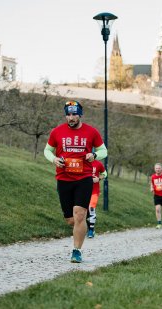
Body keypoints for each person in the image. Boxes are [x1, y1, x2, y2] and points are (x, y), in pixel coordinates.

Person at [44, 100, 107, 263]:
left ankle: (76, 251)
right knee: (71, 219)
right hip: (64, 178)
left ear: (80, 114)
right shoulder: (57, 132)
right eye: (68, 114)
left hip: (84, 178)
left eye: (74, 114)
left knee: (79, 214)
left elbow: (103, 150)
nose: (71, 117)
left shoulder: (91, 132)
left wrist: (94, 155)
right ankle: (82, 224)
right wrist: (54, 159)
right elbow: (47, 150)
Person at [86, 159, 107, 238]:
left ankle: (91, 230)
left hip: (94, 192)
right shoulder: (81, 162)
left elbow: (104, 174)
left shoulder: (98, 163)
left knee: (91, 208)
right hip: (82, 191)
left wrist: (98, 178)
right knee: (83, 210)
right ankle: (86, 228)